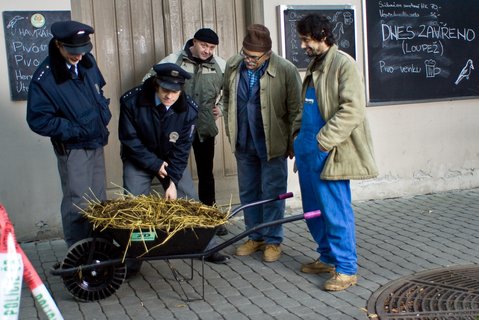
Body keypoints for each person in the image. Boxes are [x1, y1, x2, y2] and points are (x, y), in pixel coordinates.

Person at [293, 14, 378, 291]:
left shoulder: (344, 64)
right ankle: (327, 257)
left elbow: (353, 109)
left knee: (335, 211)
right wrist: (297, 139)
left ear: (322, 35)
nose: (303, 45)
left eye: (306, 39)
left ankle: (346, 269)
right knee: (313, 211)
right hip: (307, 150)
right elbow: (304, 109)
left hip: (327, 150)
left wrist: (322, 142)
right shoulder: (315, 65)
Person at [119, 63, 228, 271]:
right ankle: (135, 256)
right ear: (156, 84)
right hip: (139, 158)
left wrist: (172, 181)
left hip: (170, 159)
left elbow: (182, 148)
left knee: (188, 199)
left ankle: (206, 246)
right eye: (165, 90)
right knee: (136, 205)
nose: (169, 96)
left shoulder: (189, 109)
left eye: (175, 92)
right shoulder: (131, 101)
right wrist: (154, 163)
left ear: (181, 89)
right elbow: (129, 140)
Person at [26, 21, 111, 248]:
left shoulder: (87, 62)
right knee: (78, 205)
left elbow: (98, 91)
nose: (79, 57)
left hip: (96, 142)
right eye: (73, 52)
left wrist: (103, 111)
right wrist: (74, 130)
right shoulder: (45, 78)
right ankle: (79, 257)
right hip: (74, 149)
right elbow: (38, 120)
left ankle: (100, 250)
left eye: (83, 51)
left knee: (98, 202)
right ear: (58, 45)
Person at [222, 24, 302, 262]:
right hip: (244, 141)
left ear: (267, 54)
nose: (248, 59)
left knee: (272, 193)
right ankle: (254, 236)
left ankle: (273, 240)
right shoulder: (233, 65)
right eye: (245, 54)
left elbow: (296, 109)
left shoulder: (286, 70)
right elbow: (226, 97)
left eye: (254, 57)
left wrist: (292, 142)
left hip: (272, 143)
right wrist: (230, 130)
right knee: (248, 192)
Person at [144, 28, 228, 236]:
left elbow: (232, 90)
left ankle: (210, 219)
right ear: (194, 42)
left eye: (211, 47)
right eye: (204, 46)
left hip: (204, 126)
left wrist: (222, 107)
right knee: (171, 170)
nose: (207, 51)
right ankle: (174, 217)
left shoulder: (220, 65)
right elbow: (148, 83)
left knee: (206, 174)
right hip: (176, 126)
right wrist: (163, 108)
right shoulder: (173, 60)